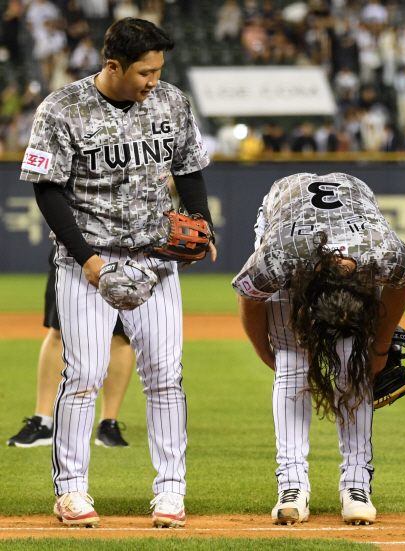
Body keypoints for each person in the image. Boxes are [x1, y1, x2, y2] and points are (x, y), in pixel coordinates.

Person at [20, 18, 215, 528]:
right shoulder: (62, 109)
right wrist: (88, 260)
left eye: (158, 70)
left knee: (165, 377)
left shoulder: (171, 102)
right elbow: (47, 189)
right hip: (88, 260)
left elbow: (190, 170)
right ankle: (71, 491)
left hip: (155, 259)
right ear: (113, 66)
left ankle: (171, 490)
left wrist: (202, 224)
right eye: (145, 72)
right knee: (83, 374)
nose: (154, 80)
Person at [232, 172, 405, 526]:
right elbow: (249, 297)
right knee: (291, 363)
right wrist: (264, 350)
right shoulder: (279, 257)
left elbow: (402, 282)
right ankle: (291, 486)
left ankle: (357, 484)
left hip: (354, 204)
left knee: (353, 362)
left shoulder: (381, 251)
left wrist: (379, 346)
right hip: (287, 208)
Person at [7, 245, 134, 448]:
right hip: (73, 251)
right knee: (58, 331)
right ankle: (43, 422)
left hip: (125, 252)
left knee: (120, 335)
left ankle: (108, 423)